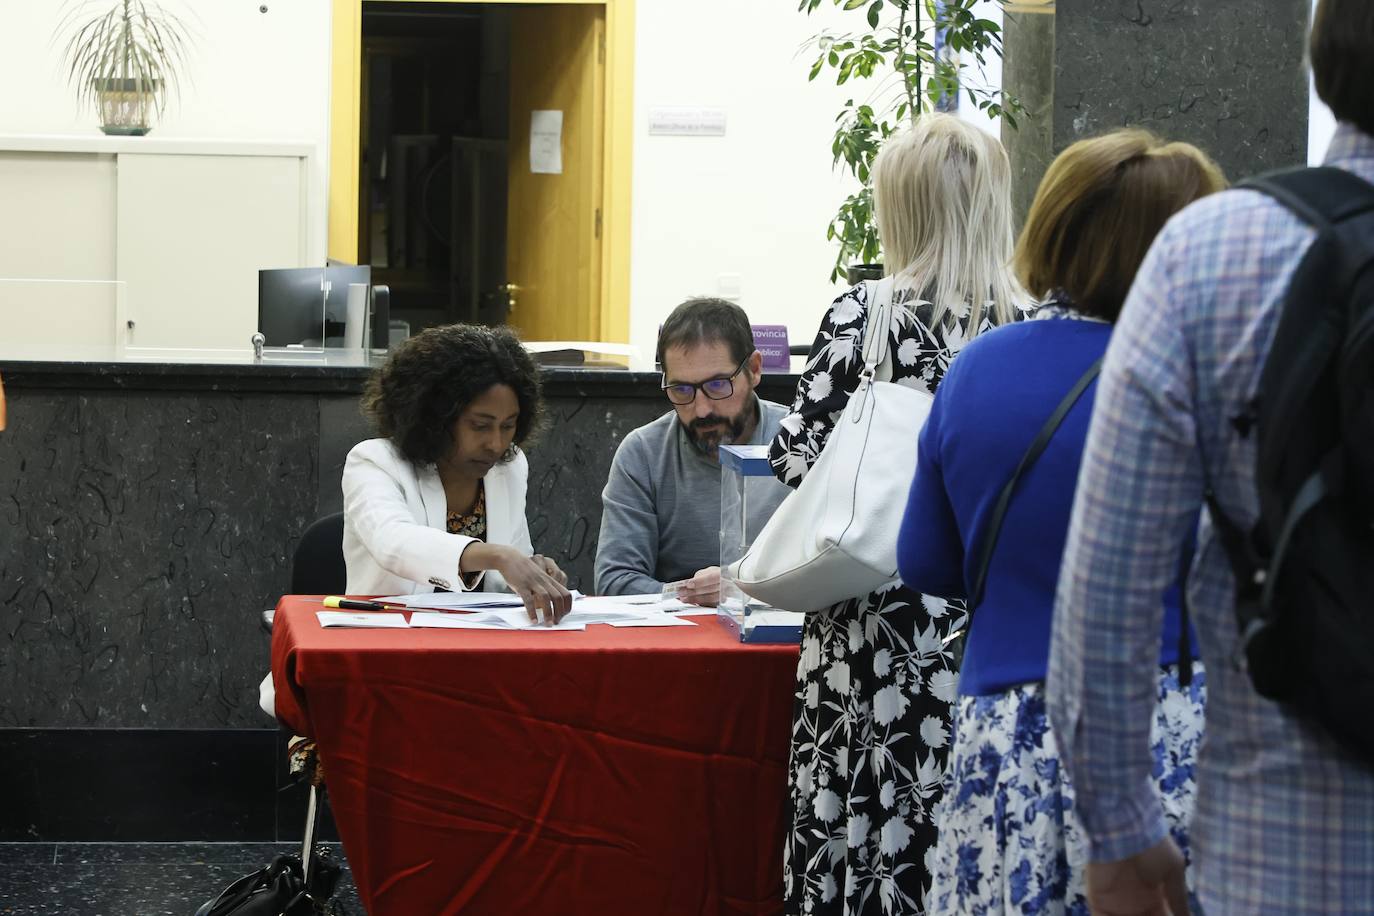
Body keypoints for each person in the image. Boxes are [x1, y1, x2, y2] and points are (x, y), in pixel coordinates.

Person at [1045, 2, 1374, 913]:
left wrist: (1119, 834)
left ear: (1323, 53)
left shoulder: (1211, 255)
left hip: (1281, 861)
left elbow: (1106, 593)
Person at [897, 130, 1225, 914]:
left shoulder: (979, 366)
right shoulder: (1191, 370)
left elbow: (925, 560)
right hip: (1162, 725)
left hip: (1005, 730)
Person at [767, 112, 1030, 915]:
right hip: (986, 627)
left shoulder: (864, 316)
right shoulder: (1029, 322)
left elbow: (795, 463)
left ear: (898, 205)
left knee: (861, 820)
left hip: (868, 629)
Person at [260, 324, 571, 718]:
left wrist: (531, 571)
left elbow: (508, 564)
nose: (496, 443)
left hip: (482, 668)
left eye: (508, 425)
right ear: (436, 417)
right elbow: (393, 542)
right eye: (480, 425)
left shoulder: (508, 468)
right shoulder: (374, 462)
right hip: (385, 670)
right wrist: (498, 556)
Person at [595, 297, 789, 603]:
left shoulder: (801, 444)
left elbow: (835, 566)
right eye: (681, 390)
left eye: (717, 385)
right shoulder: (644, 453)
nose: (701, 410)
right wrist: (692, 594)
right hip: (676, 640)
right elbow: (615, 580)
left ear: (753, 369)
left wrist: (743, 591)